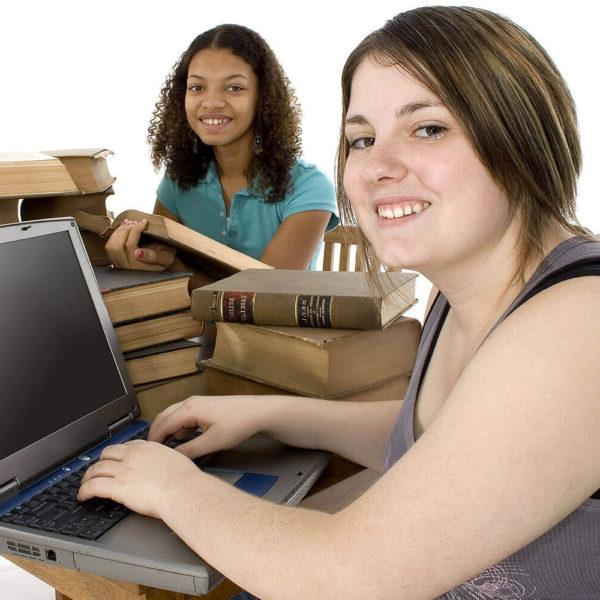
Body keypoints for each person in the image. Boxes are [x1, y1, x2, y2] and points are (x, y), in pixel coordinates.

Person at [79, 7, 600, 599]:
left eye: (428, 128)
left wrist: (172, 487)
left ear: (521, 134)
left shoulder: (578, 324)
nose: (379, 166)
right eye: (362, 138)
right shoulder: (458, 298)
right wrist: (275, 414)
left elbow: (349, 578)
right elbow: (445, 445)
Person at [105, 24, 339, 280]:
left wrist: (172, 267)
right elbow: (159, 264)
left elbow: (265, 292)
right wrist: (139, 259)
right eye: (197, 87)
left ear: (263, 97)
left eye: (234, 88)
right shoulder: (178, 179)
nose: (212, 102)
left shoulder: (309, 186)